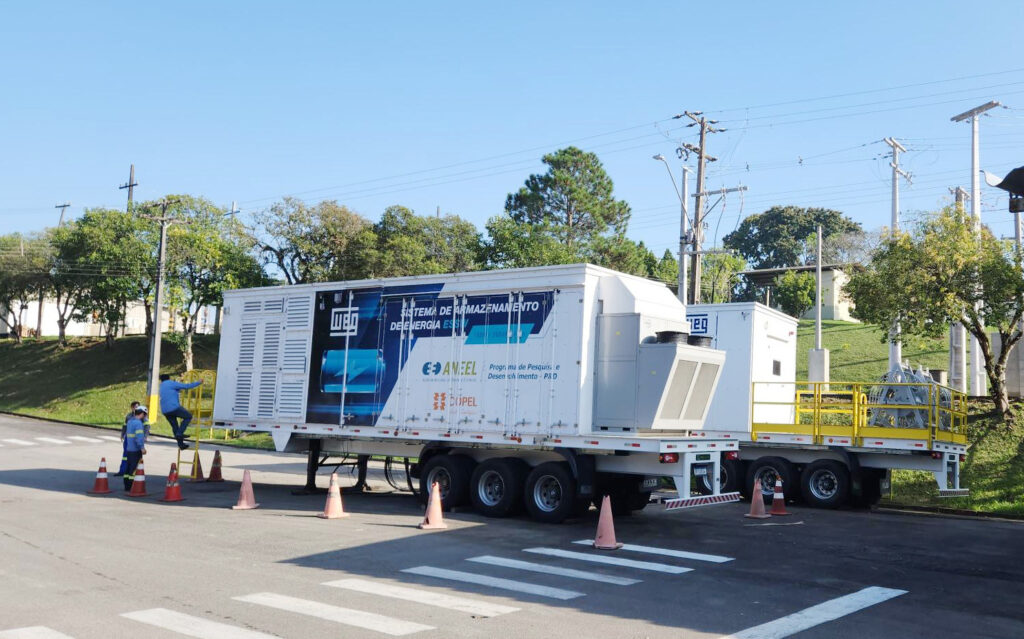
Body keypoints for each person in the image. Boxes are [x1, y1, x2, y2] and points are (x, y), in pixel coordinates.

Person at [160, 373, 203, 450]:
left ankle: (181, 445)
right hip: (174, 407)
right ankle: (180, 433)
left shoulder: (162, 386)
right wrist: (199, 382)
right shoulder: (171, 383)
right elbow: (186, 386)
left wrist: (180, 381)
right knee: (188, 416)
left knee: (175, 426)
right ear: (169, 378)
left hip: (165, 410)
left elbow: (177, 389)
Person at [123, 406, 148, 491]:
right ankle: (132, 486)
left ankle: (126, 485)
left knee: (128, 468)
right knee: (134, 469)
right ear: (141, 414)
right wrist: (142, 448)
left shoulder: (130, 421)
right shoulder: (138, 423)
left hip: (129, 449)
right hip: (136, 450)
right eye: (144, 415)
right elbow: (139, 437)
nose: (144, 417)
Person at [116, 401, 141, 476]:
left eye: (138, 407)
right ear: (132, 408)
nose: (136, 408)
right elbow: (125, 426)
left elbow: (146, 426)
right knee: (125, 455)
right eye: (135, 407)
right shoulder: (129, 416)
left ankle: (135, 472)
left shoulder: (141, 416)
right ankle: (122, 471)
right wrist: (122, 435)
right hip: (128, 438)